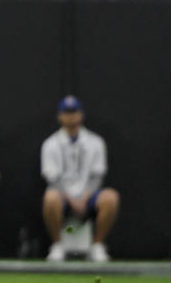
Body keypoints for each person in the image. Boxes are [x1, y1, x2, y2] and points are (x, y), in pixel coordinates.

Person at [41, 96, 120, 263]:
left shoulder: (96, 142)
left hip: (88, 196)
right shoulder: (50, 144)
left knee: (111, 197)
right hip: (64, 198)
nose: (71, 116)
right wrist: (70, 199)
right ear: (60, 116)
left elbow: (98, 175)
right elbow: (52, 178)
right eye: (67, 113)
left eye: (74, 112)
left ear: (81, 115)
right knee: (50, 197)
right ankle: (58, 245)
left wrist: (85, 197)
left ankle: (97, 245)